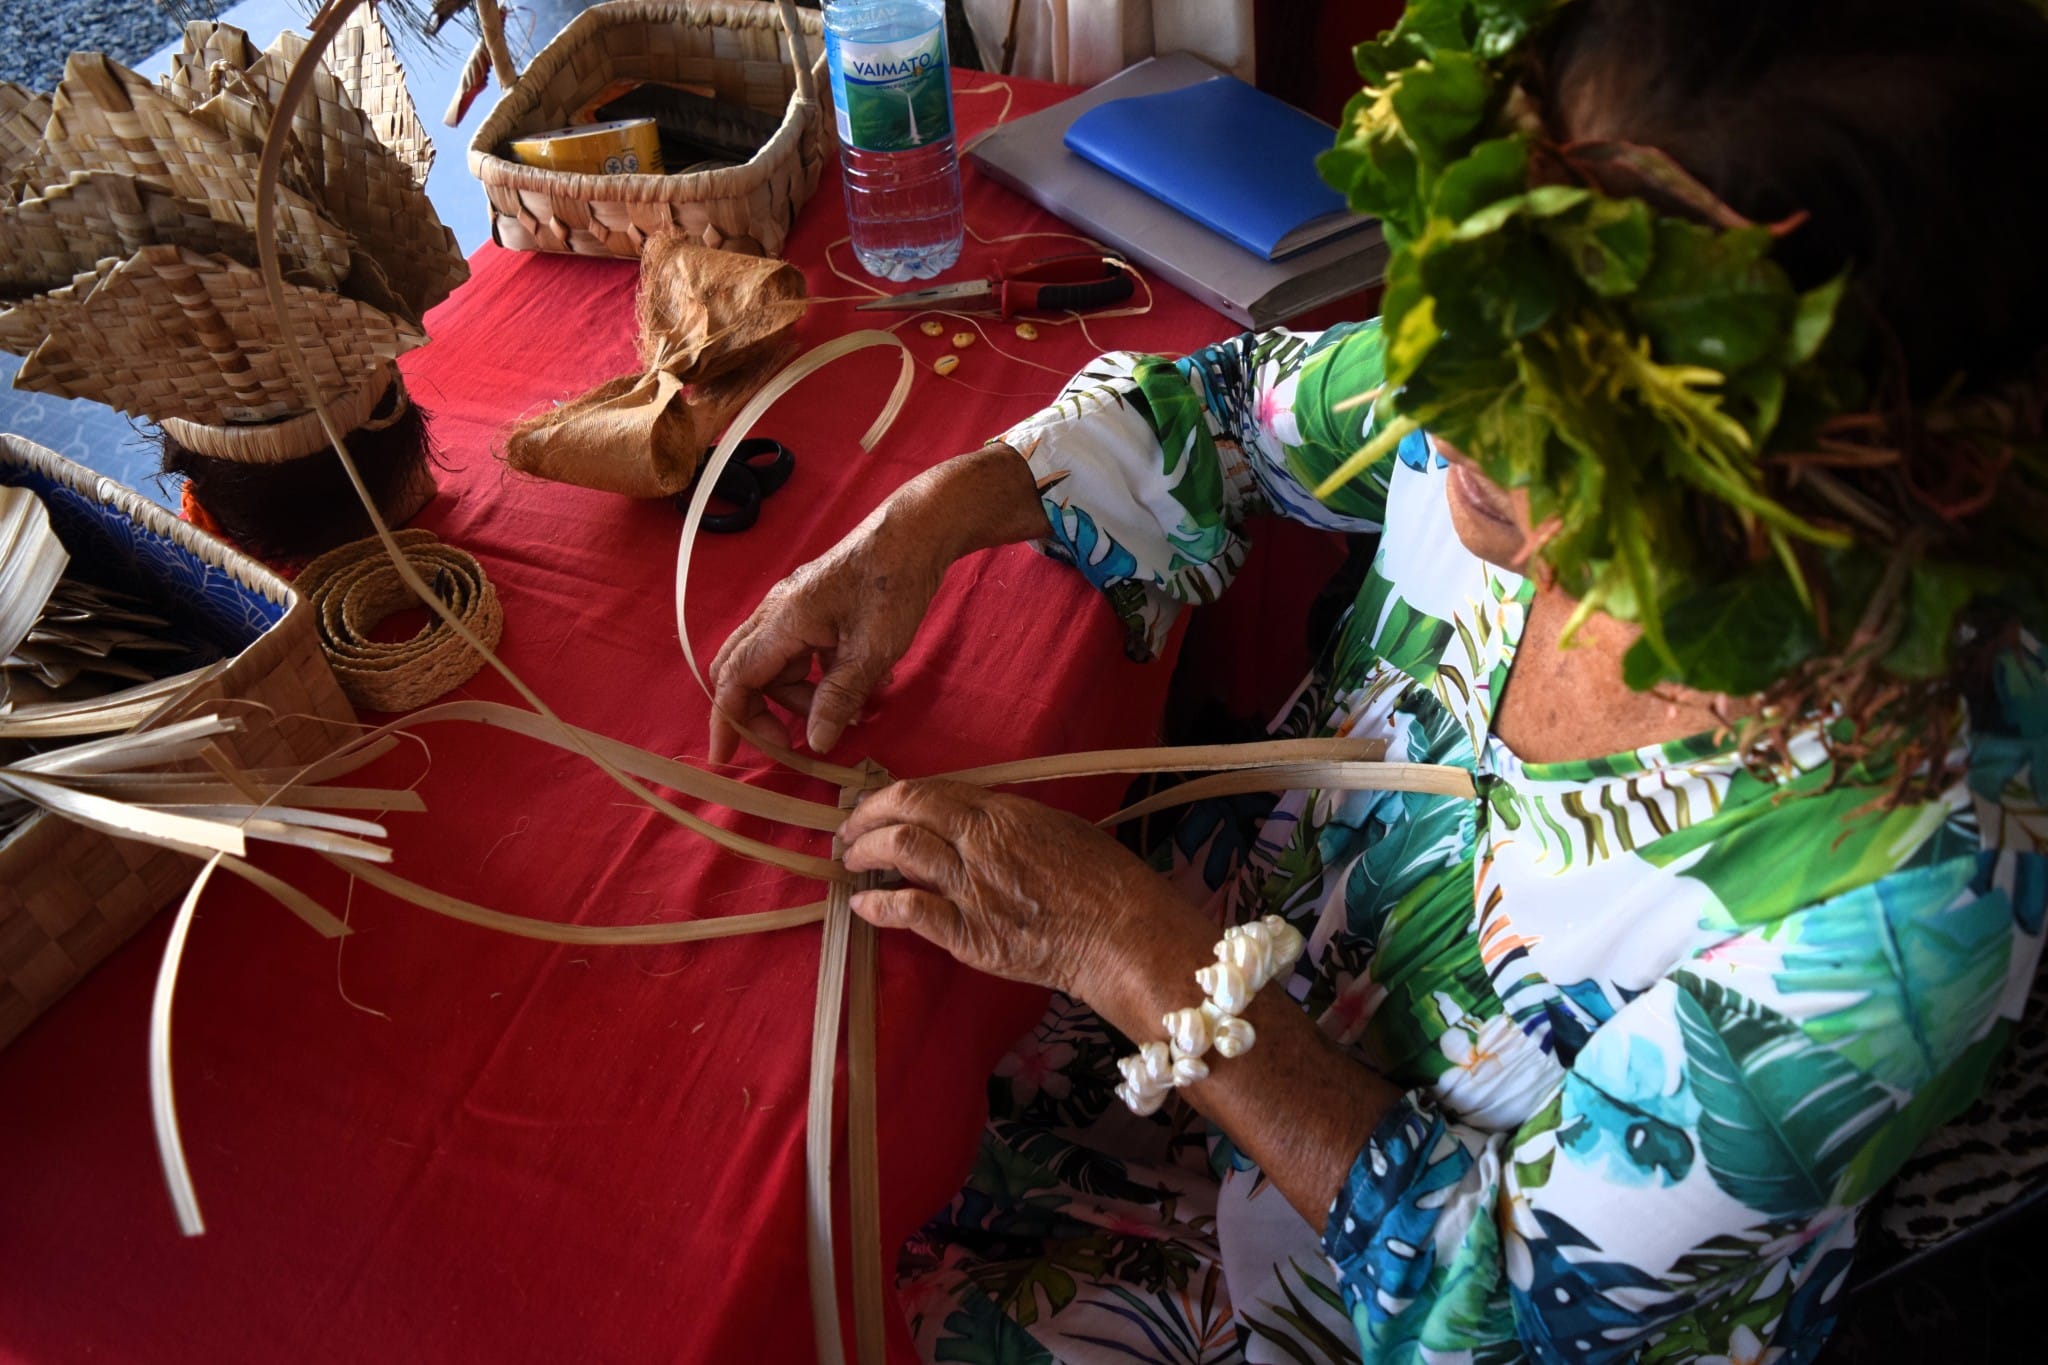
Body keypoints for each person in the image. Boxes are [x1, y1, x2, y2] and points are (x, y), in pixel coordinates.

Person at [710, 1, 2048, 1359]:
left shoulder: (1915, 893)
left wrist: (1128, 946)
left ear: (1818, 499)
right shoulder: (1535, 349)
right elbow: (1235, 414)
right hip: (1177, 1074)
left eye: (1559, 425)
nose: (1443, 407)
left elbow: (1502, 1295)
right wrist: (932, 513)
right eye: (1474, 318)